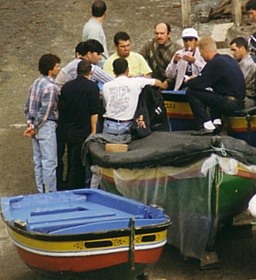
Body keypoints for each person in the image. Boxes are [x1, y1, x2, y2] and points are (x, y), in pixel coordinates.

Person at [185, 36, 245, 136]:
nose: (201, 56)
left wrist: (188, 81)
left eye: (201, 52)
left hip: (230, 103)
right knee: (214, 91)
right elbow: (205, 78)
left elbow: (198, 84)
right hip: (238, 101)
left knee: (191, 92)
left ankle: (206, 125)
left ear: (204, 50)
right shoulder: (226, 58)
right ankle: (217, 122)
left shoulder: (215, 63)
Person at [57, 60, 102, 190]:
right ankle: (77, 188)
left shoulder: (67, 86)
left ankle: (69, 184)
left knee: (71, 158)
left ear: (77, 72)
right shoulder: (92, 87)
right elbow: (94, 111)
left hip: (68, 129)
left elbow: (63, 108)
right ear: (91, 72)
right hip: (84, 130)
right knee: (81, 162)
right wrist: (94, 130)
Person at [23, 53, 61, 193]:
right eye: (57, 66)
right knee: (49, 162)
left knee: (38, 162)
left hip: (34, 125)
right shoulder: (51, 88)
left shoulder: (36, 83)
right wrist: (36, 126)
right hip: (46, 126)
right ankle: (50, 193)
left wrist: (30, 125)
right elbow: (45, 112)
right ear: (51, 69)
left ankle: (41, 191)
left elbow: (27, 106)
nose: (59, 68)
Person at [102, 58, 167, 135]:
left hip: (108, 124)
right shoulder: (137, 81)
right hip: (127, 126)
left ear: (113, 71)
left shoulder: (106, 86)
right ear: (127, 70)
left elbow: (105, 104)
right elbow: (158, 83)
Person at [230, 37, 256, 109]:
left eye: (234, 50)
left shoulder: (249, 64)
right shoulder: (238, 63)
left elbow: (239, 83)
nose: (232, 53)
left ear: (242, 48)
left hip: (246, 99)